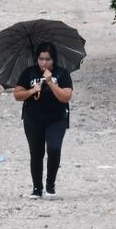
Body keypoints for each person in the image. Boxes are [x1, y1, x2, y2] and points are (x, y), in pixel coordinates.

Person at [13, 42, 74, 198]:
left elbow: (65, 96)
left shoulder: (62, 74)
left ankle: (50, 185)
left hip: (56, 118)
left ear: (54, 60)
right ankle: (37, 188)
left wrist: (50, 83)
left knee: (53, 149)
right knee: (36, 153)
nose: (44, 62)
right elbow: (17, 95)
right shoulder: (29, 73)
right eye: (41, 59)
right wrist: (33, 90)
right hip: (33, 118)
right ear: (37, 59)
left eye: (48, 59)